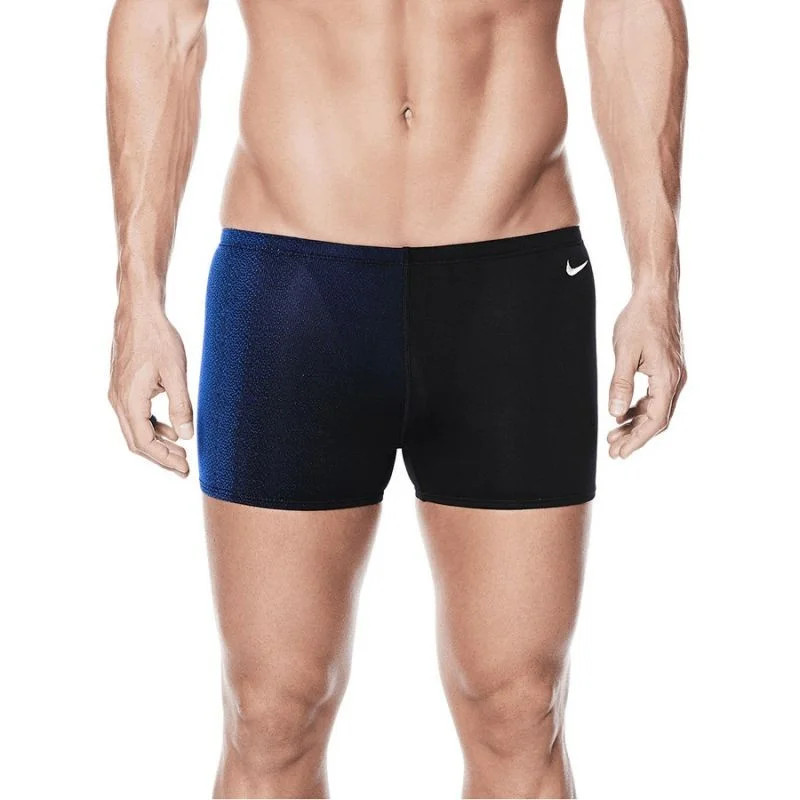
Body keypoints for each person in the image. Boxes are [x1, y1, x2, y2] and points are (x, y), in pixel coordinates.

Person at [106, 0, 687, 796]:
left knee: (520, 707)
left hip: (512, 279)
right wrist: (138, 296)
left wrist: (657, 282)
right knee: (270, 713)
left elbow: (631, 11)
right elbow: (162, 21)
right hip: (292, 278)